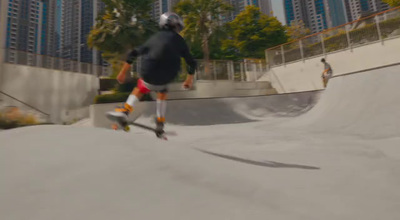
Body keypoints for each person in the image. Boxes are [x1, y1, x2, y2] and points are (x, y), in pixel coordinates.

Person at [106, 12, 197, 133]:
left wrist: (123, 72)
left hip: (148, 74)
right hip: (167, 77)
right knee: (162, 90)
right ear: (177, 26)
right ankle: (160, 122)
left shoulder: (155, 38)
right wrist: (189, 79)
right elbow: (191, 62)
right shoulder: (180, 41)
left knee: (140, 87)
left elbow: (134, 53)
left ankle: (125, 111)